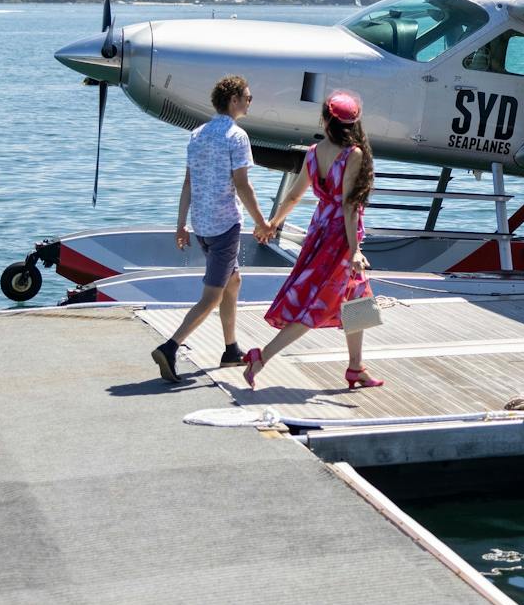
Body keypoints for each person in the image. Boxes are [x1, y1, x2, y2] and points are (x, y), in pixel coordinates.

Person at [241, 91, 383, 390]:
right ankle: (261, 357)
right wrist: (355, 251)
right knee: (315, 306)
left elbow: (294, 194)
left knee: (359, 300)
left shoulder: (314, 152)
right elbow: (348, 205)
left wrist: (272, 224)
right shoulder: (353, 154)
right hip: (339, 240)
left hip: (319, 232)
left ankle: (356, 367)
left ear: (326, 118)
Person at [151, 75, 273, 382]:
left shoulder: (197, 134)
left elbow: (188, 182)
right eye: (247, 96)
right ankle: (170, 347)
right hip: (225, 228)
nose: (249, 101)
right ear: (233, 100)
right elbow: (243, 185)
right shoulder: (237, 136)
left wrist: (180, 225)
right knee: (211, 297)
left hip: (202, 226)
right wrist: (262, 221)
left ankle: (231, 349)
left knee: (233, 282)